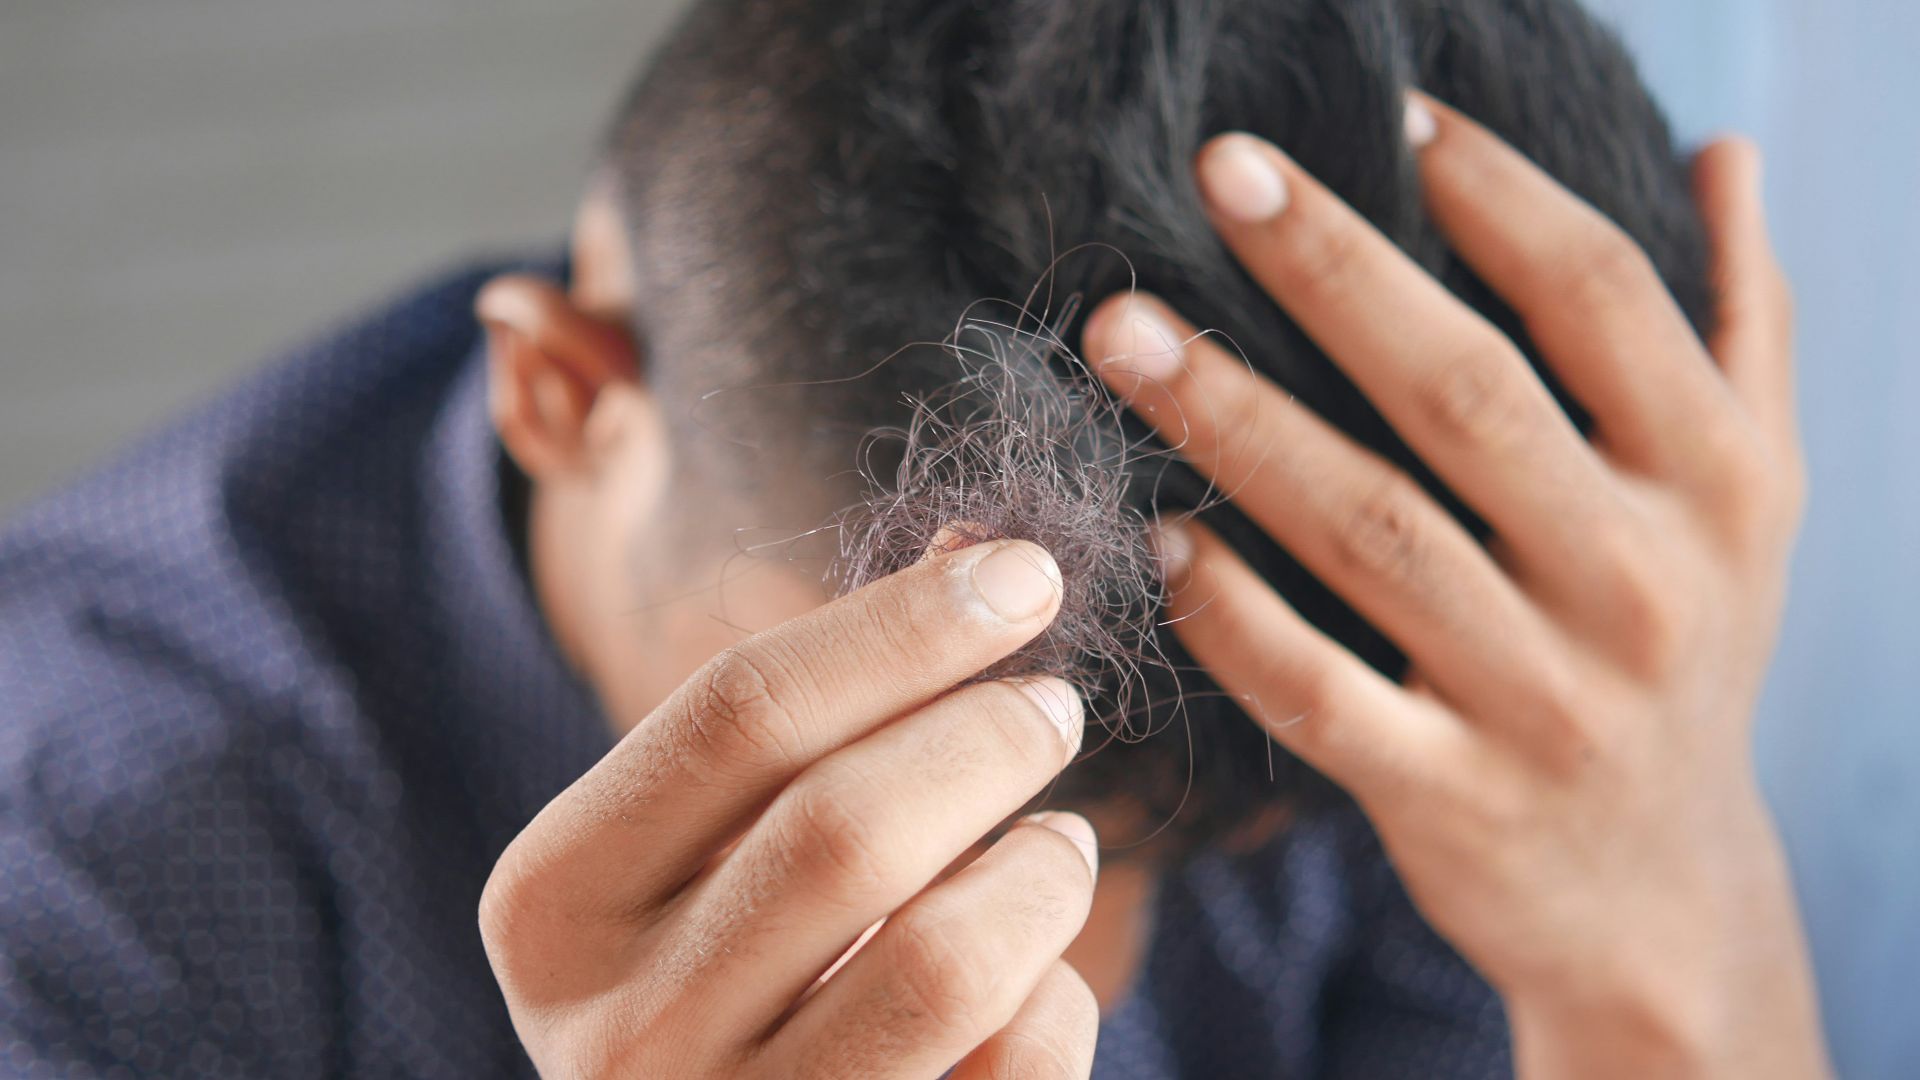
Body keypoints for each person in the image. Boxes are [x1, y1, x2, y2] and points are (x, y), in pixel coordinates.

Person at [0, 0, 1831, 1076]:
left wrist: (1678, 957)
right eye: (893, 735)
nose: (1053, 1008)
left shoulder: (1444, 678)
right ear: (562, 389)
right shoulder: (76, 887)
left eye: (1195, 848)